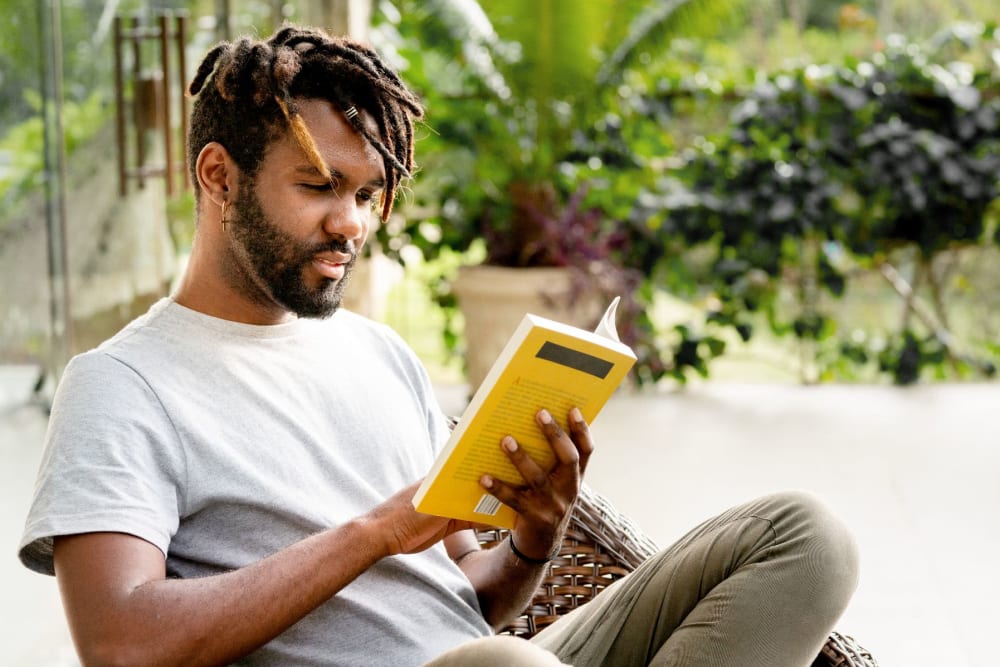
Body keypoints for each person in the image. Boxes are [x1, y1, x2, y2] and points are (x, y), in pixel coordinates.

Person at [19, 25, 859, 667]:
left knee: (805, 537)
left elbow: (478, 599)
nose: (349, 223)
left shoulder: (379, 356)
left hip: (501, 660)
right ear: (217, 177)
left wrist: (535, 537)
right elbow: (122, 643)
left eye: (368, 194)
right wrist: (377, 531)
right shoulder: (121, 384)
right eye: (317, 187)